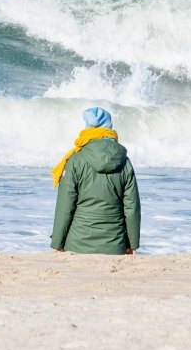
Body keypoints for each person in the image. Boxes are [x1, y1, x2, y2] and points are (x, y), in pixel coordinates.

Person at [50, 107, 140, 255]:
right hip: (115, 246)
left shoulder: (75, 160)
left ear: (87, 127)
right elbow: (132, 208)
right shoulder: (124, 162)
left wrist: (57, 244)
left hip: (77, 245)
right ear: (109, 127)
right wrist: (133, 245)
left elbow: (65, 206)